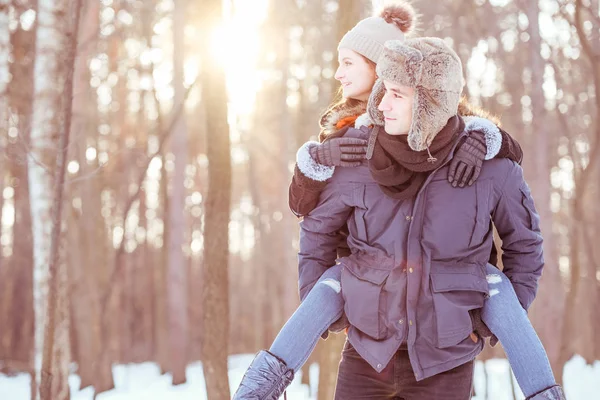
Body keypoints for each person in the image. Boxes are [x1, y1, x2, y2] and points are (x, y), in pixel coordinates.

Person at [233, 5, 563, 400]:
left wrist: (483, 323)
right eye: (382, 93)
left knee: (498, 289)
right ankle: (258, 388)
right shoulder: (350, 147)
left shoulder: (482, 158)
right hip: (369, 347)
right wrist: (335, 309)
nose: (381, 103)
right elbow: (313, 222)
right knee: (331, 283)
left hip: (446, 355)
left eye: (393, 93)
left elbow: (525, 245)